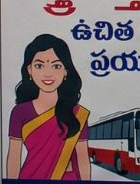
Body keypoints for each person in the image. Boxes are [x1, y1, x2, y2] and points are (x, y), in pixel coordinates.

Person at [6, 33, 90, 180]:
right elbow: (14, 156)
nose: (48, 73)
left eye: (56, 66)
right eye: (39, 65)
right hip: (30, 178)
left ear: (65, 71)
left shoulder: (78, 114)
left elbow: (82, 157)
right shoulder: (20, 112)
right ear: (29, 70)